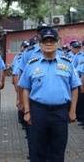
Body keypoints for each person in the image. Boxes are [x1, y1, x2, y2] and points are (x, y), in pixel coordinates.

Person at [18, 29, 81, 161]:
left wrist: (73, 110)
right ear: (40, 45)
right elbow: (25, 88)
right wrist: (27, 111)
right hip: (38, 111)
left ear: (57, 44)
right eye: (45, 41)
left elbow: (75, 87)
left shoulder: (67, 63)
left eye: (51, 41)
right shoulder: (32, 64)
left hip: (60, 112)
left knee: (57, 151)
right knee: (37, 150)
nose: (48, 44)